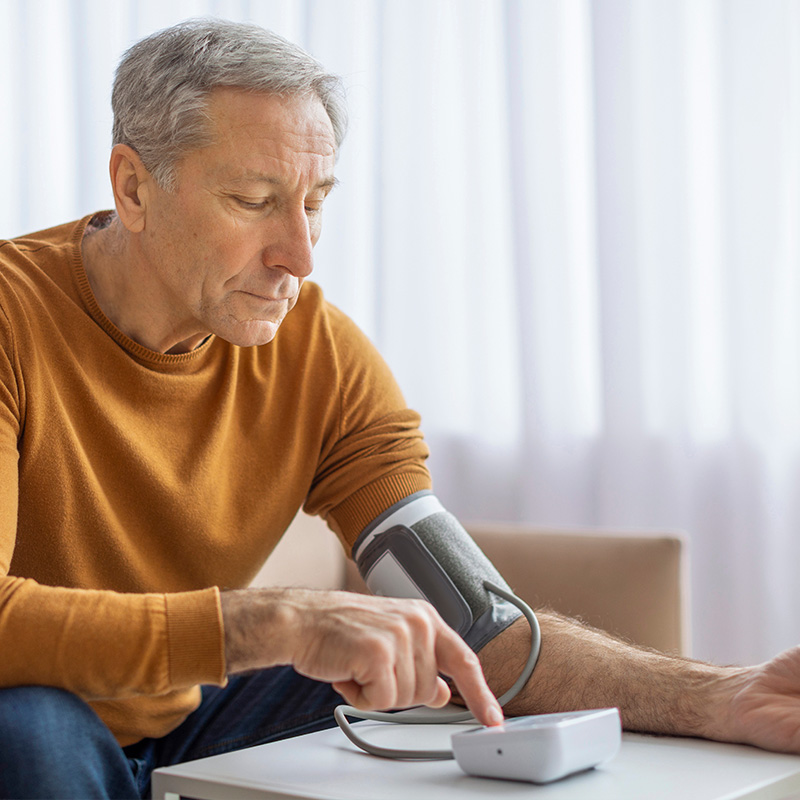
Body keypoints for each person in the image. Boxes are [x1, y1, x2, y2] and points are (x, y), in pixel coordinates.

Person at [1, 17, 800, 800]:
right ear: (134, 187)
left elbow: (478, 623)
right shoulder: (13, 318)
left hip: (189, 713)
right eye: (252, 199)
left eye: (315, 201)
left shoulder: (321, 354)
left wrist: (721, 697)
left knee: (423, 673)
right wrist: (273, 621)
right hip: (30, 713)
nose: (300, 256)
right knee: (25, 727)